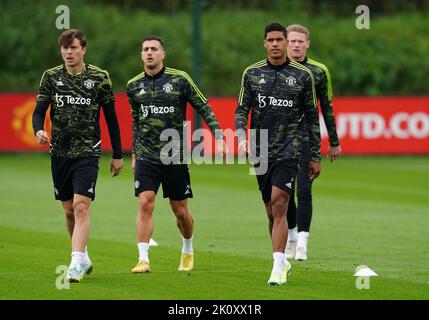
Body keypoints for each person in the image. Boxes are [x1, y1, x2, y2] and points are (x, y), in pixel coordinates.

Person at [127, 35, 226, 274]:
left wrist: (220, 137)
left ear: (163, 54)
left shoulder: (180, 80)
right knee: (144, 202)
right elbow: (136, 122)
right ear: (141, 55)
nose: (149, 53)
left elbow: (203, 106)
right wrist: (134, 153)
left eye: (154, 49)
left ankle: (188, 248)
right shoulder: (133, 85)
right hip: (146, 156)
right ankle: (143, 259)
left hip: (174, 155)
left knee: (180, 212)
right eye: (145, 49)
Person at [32, 29, 123, 282]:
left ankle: (74, 264)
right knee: (69, 211)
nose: (68, 52)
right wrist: (38, 129)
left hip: (88, 152)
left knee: (82, 206)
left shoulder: (99, 77)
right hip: (60, 152)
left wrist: (117, 154)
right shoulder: (51, 77)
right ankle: (83, 256)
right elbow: (39, 111)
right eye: (65, 48)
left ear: (84, 49)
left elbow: (111, 118)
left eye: (73, 48)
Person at [235, 22, 322, 286]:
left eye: (279, 40)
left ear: (285, 42)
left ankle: (277, 268)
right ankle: (282, 259)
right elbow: (241, 109)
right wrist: (240, 135)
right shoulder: (251, 74)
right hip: (260, 147)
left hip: (290, 148)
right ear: (265, 43)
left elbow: (312, 117)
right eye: (270, 40)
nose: (275, 44)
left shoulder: (302, 76)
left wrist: (315, 154)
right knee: (271, 211)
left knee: (280, 201)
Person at [284, 24, 341, 261]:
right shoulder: (275, 69)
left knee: (305, 190)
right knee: (284, 192)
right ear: (286, 43)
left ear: (307, 44)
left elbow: (326, 107)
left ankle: (303, 242)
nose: (296, 45)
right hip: (281, 140)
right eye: (292, 41)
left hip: (307, 138)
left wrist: (334, 141)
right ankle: (292, 235)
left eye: (300, 41)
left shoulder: (319, 71)